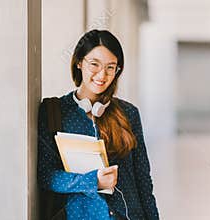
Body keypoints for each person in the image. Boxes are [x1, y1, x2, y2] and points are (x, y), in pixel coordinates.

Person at [37, 29, 159, 220]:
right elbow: (46, 175)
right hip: (80, 215)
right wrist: (92, 181)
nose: (102, 75)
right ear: (79, 62)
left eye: (111, 67)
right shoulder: (54, 112)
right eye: (94, 64)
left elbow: (143, 180)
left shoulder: (129, 113)